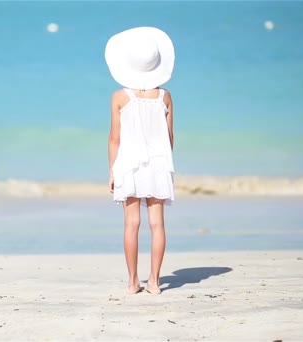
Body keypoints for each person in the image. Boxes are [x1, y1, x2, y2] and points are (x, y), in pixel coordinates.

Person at [104, 26, 175, 295]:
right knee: (157, 224)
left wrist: (112, 171)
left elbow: (114, 139)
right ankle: (155, 282)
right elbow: (169, 138)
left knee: (131, 224)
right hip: (159, 164)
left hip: (129, 164)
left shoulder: (120, 97)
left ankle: (133, 281)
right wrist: (167, 167)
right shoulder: (164, 96)